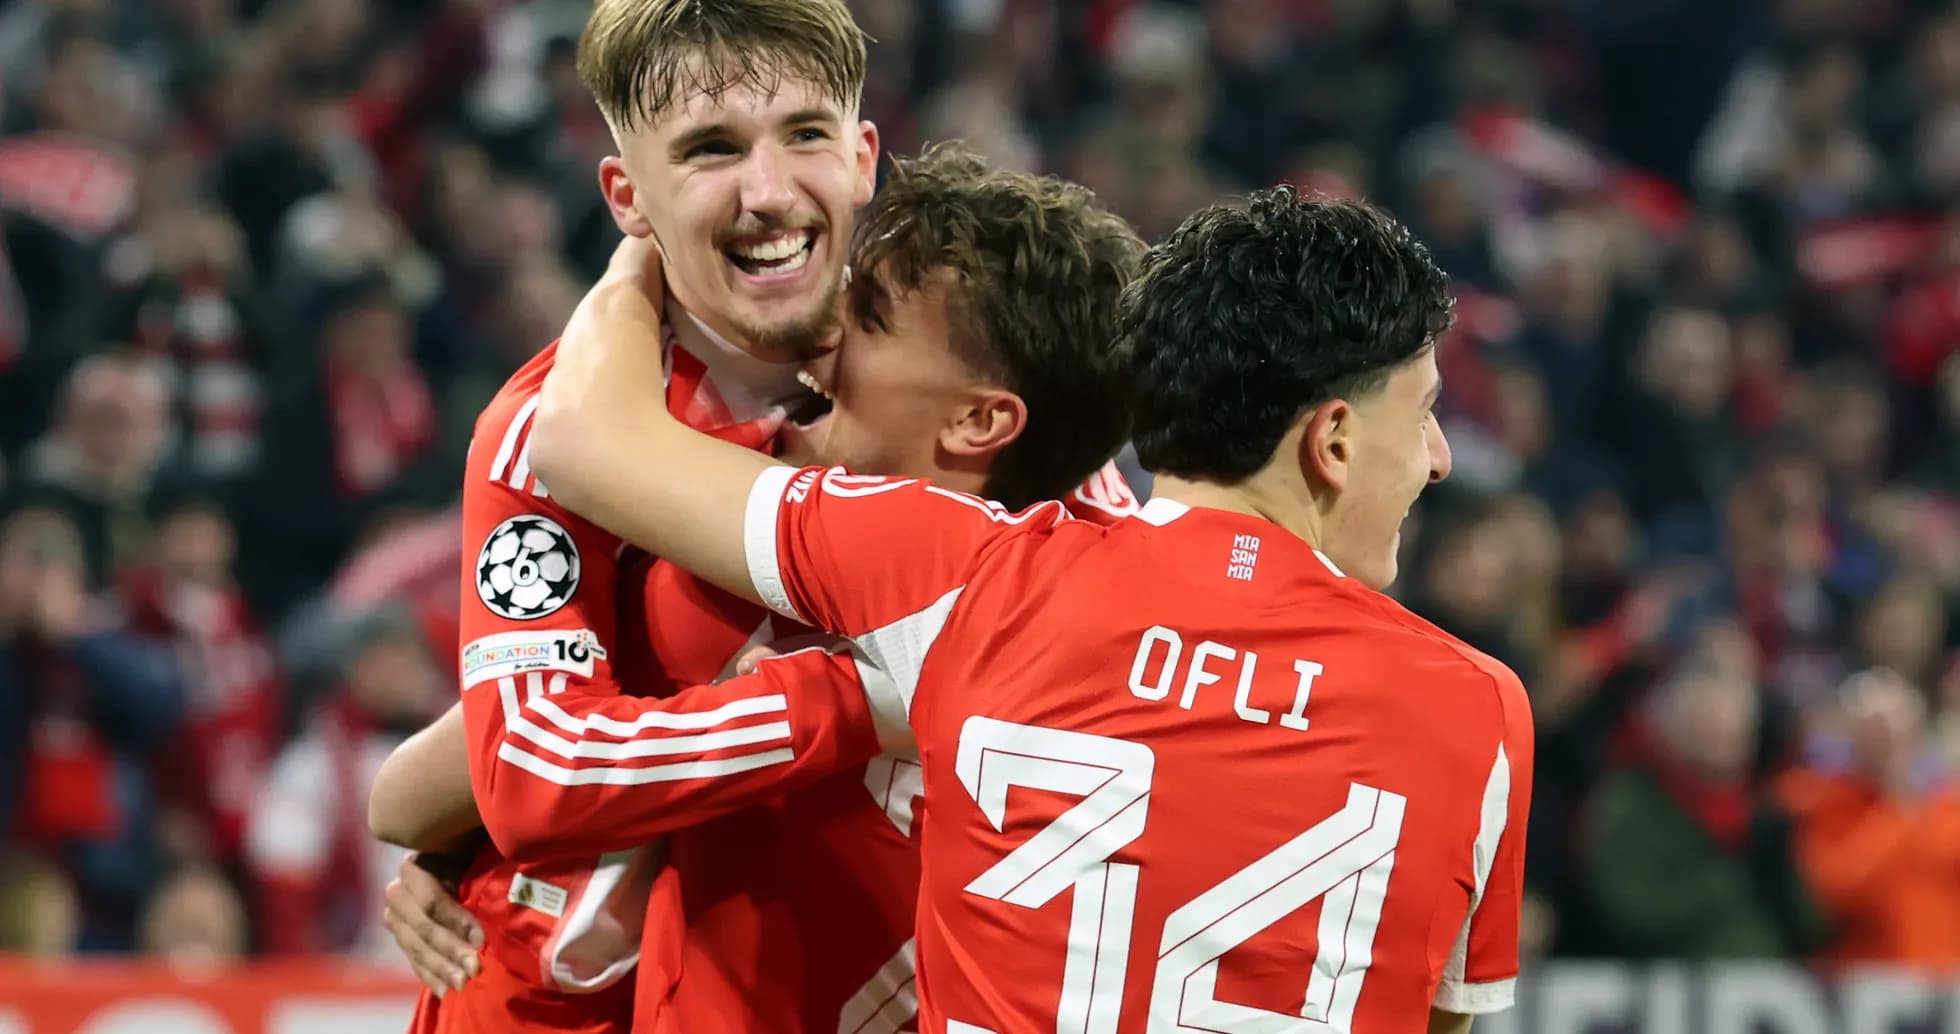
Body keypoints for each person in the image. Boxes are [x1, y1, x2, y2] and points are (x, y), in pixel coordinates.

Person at [526, 188, 1534, 1032]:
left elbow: (580, 439)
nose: (1438, 456)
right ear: (1334, 441)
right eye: (1426, 411)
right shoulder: (1475, 712)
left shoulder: (964, 577)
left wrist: (647, 237)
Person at [373, 146, 1143, 1032]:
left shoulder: (773, 538)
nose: (826, 332)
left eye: (871, 318)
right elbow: (423, 793)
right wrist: (464, 851)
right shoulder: (1090, 570)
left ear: (979, 419)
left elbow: (576, 446)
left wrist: (638, 262)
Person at [374, 0, 881, 1029]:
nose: (768, 192)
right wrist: (869, 695)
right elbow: (526, 765)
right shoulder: (545, 433)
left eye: (805, 134)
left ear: (864, 156)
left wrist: (432, 795)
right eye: (710, 149)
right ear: (626, 195)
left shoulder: (976, 373)